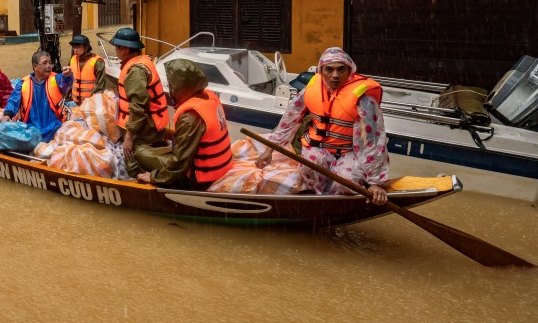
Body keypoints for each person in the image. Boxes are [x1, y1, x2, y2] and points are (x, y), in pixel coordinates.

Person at [255, 47, 390, 205]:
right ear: (321, 71)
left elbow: (373, 141)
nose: (335, 75)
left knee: (346, 184)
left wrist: (375, 182)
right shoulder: (311, 89)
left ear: (350, 71)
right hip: (319, 148)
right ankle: (317, 199)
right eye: (329, 70)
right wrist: (269, 150)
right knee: (309, 168)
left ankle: (341, 198)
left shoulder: (364, 99)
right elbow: (289, 121)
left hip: (349, 151)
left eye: (341, 69)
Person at [134, 59, 232, 189]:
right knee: (154, 149)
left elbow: (180, 163)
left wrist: (153, 177)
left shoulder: (190, 117)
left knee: (139, 152)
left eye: (171, 86)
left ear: (179, 87)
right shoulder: (209, 96)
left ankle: (149, 183)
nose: (170, 90)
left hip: (198, 179)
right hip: (218, 167)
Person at [110, 27, 169, 178]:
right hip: (153, 124)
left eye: (116, 47)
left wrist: (128, 137)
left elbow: (138, 107)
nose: (115, 51)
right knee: (146, 152)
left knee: (133, 159)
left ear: (124, 49)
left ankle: (154, 177)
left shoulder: (135, 71)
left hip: (145, 128)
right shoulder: (142, 62)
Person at [4, 50, 74, 142]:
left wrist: (68, 76)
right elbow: (13, 100)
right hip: (31, 128)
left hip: (55, 127)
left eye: (50, 63)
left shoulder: (56, 79)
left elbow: (66, 83)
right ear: (35, 66)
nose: (48, 66)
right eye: (45, 63)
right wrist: (7, 114)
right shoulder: (23, 84)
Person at [68, 34, 106, 104]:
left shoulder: (97, 61)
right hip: (74, 102)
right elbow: (69, 81)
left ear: (86, 47)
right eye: (74, 47)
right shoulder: (73, 59)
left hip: (90, 104)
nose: (75, 50)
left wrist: (91, 103)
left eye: (78, 47)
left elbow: (100, 86)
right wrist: (67, 98)